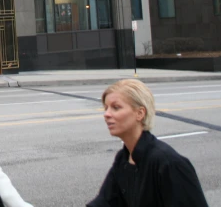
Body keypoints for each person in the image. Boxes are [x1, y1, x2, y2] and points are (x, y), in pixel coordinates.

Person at [87, 79, 209, 207]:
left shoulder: (168, 163)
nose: (106, 114)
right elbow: (105, 202)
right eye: (106, 108)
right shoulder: (123, 159)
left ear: (140, 113)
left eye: (116, 107)